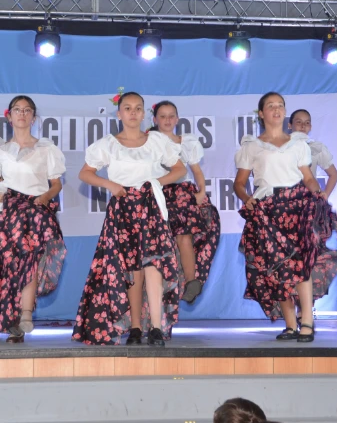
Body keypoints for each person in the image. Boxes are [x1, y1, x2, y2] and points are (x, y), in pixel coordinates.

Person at [72, 91, 186, 346]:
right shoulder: (108, 144)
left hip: (151, 208)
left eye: (138, 108)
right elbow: (85, 173)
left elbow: (180, 168)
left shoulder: (156, 140)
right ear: (119, 113)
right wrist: (110, 185)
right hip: (123, 209)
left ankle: (156, 326)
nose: (133, 113)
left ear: (144, 113)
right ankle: (135, 327)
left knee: (154, 265)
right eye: (128, 108)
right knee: (131, 269)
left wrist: (156, 181)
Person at [234, 92, 328, 343]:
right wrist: (246, 198)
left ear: (285, 112)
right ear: (261, 113)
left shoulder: (298, 144)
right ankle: (290, 324)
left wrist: (316, 193)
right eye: (270, 106)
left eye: (280, 106)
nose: (276, 110)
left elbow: (307, 177)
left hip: (297, 206)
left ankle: (307, 321)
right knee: (276, 268)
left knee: (302, 264)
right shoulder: (251, 146)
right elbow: (239, 183)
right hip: (267, 209)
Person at [126, 101, 221, 341]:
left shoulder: (185, 143)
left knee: (184, 236)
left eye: (171, 116)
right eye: (162, 116)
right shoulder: (147, 140)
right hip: (155, 194)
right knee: (154, 250)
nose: (167, 120)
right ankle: (152, 314)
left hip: (179, 192)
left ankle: (191, 281)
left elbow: (196, 170)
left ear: (177, 119)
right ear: (155, 119)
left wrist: (201, 192)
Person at [0, 95, 67, 344]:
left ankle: (26, 313)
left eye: (27, 110)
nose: (22, 114)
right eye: (17, 110)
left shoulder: (46, 149)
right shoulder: (2, 150)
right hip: (8, 212)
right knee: (8, 266)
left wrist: (44, 197)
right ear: (9, 116)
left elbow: (56, 183)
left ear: (34, 117)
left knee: (31, 260)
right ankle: (12, 321)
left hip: (35, 209)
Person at [287, 109, 337, 308]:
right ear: (289, 126)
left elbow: (333, 174)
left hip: (308, 206)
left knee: (308, 257)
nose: (303, 126)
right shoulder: (281, 146)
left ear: (311, 126)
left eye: (306, 123)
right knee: (287, 257)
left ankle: (305, 310)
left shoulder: (315, 148)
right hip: (286, 208)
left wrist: (324, 195)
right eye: (298, 122)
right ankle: (291, 310)